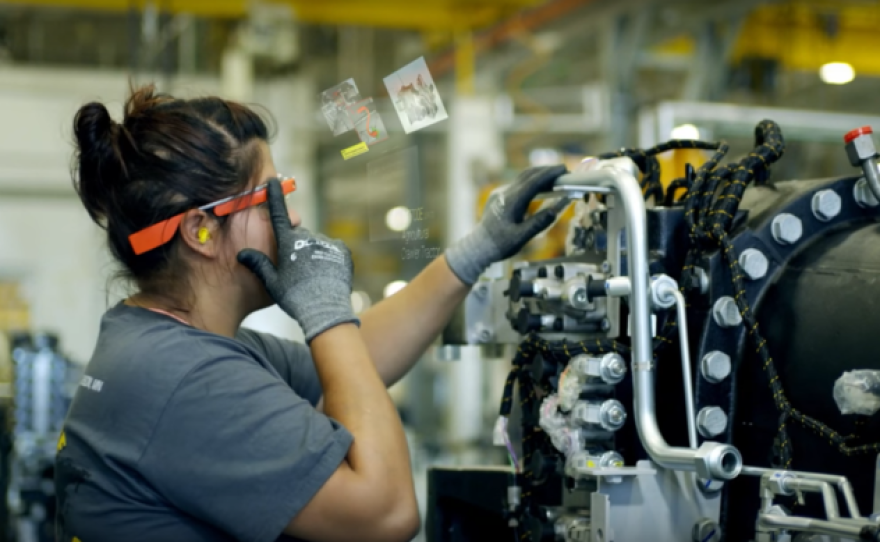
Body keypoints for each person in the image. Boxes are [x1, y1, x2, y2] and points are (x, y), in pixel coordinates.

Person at [54, 83, 569, 542]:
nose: (292, 218)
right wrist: (325, 311)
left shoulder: (165, 340)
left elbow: (351, 366)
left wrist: (474, 253)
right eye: (269, 200)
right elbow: (386, 514)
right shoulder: (185, 379)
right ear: (200, 231)